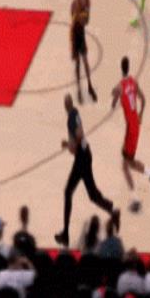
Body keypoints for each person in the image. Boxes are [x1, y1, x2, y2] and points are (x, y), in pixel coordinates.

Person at [55, 94, 119, 247]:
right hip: (84, 155)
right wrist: (69, 145)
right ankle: (111, 210)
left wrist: (69, 145)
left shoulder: (71, 118)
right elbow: (78, 138)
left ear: (66, 105)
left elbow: (79, 135)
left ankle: (65, 234)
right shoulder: (75, 114)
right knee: (91, 194)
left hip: (82, 158)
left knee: (68, 192)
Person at [112, 57, 150, 213]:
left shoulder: (120, 86)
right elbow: (143, 100)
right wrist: (141, 115)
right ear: (128, 67)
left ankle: (136, 199)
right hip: (135, 126)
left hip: (131, 129)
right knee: (128, 163)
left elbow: (114, 95)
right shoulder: (133, 82)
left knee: (125, 166)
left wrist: (114, 100)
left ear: (120, 68)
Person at [71, 0, 98, 104]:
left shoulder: (87, 1)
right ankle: (79, 90)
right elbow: (77, 20)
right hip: (75, 33)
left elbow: (87, 21)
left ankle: (89, 86)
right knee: (78, 63)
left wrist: (85, 17)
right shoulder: (77, 2)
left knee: (86, 62)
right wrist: (82, 17)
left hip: (81, 32)